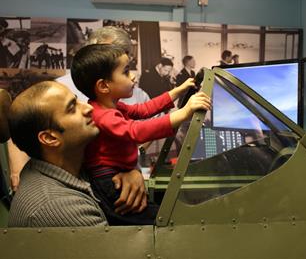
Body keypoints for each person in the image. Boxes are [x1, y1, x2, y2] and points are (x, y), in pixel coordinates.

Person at [7, 26, 150, 218]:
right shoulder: (59, 88)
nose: (89, 109)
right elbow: (24, 122)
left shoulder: (136, 94)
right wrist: (20, 175)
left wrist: (131, 168)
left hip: (118, 184)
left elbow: (144, 131)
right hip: (77, 185)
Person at [70, 44, 211, 225]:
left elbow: (144, 109)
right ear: (104, 86)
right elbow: (136, 131)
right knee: (157, 220)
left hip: (118, 174)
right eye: (126, 72)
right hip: (109, 181)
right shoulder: (103, 115)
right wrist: (183, 114)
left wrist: (178, 90)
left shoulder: (112, 105)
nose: (133, 76)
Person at [7, 81, 108, 227]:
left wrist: (130, 172)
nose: (89, 108)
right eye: (72, 108)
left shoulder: (69, 165)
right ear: (50, 138)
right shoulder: (58, 206)